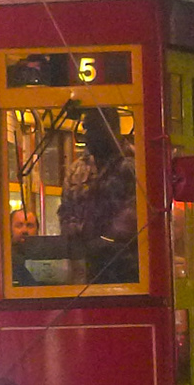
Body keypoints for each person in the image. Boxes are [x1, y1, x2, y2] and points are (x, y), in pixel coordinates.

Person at [58, 108, 139, 284]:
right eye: (85, 129)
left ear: (111, 128)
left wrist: (102, 240)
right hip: (84, 272)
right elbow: (65, 210)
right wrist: (73, 234)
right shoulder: (77, 169)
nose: (87, 135)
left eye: (92, 129)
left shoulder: (136, 165)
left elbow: (133, 218)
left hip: (129, 272)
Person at [8, 207, 40, 285]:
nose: (24, 230)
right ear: (9, 228)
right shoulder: (4, 260)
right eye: (19, 225)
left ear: (37, 230)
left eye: (30, 226)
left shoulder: (45, 256)